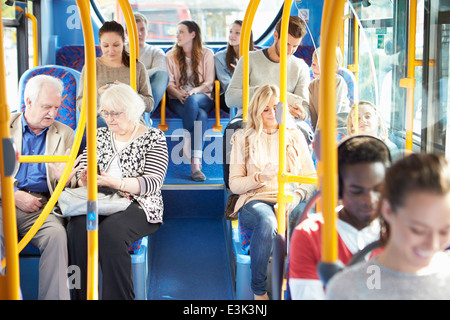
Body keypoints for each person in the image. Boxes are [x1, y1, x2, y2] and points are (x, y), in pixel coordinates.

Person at [67, 83, 168, 300]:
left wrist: (117, 183)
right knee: (76, 228)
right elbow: (80, 171)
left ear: (132, 111)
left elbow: (153, 182)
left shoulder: (153, 137)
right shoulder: (99, 135)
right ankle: (79, 295)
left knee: (110, 234)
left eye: (116, 113)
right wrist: (80, 180)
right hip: (100, 198)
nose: (109, 118)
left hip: (138, 203)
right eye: (105, 112)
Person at [229, 84, 316, 300]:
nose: (271, 113)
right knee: (268, 222)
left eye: (275, 108)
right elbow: (235, 185)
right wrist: (259, 178)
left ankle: (301, 288)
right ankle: (259, 291)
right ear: (256, 110)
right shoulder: (243, 137)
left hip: (290, 198)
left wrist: (294, 199)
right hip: (255, 199)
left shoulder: (295, 136)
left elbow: (310, 178)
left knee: (306, 228)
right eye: (265, 108)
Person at [326, 153, 450, 300]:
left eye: (444, 231)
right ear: (388, 210)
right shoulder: (349, 289)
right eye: (418, 230)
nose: (433, 244)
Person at [289, 135, 391, 300]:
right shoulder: (309, 236)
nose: (370, 200)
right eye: (357, 191)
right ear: (339, 189)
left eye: (378, 189)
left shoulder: (397, 234)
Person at [4, 75, 78, 299]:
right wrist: (13, 194)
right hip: (4, 200)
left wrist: (64, 179)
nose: (53, 113)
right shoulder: (4, 126)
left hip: (41, 205)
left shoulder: (65, 133)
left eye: (56, 107)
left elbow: (70, 184)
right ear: (28, 102)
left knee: (56, 235)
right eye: (47, 106)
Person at [223, 16, 311, 190]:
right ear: (276, 36)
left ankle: (298, 185)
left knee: (303, 130)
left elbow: (304, 106)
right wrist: (260, 93)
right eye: (287, 44)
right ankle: (233, 188)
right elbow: (230, 97)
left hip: (285, 119)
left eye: (295, 46)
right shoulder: (249, 60)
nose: (290, 50)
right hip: (251, 116)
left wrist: (302, 113)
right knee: (233, 129)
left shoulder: (300, 67)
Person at [76, 20, 153, 126]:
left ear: (124, 41)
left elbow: (149, 105)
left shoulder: (137, 67)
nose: (111, 51)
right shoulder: (91, 67)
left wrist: (128, 93)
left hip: (130, 121)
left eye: (116, 45)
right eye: (106, 46)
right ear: (100, 44)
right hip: (101, 120)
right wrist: (99, 95)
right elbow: (81, 106)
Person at [166, 20, 215, 181]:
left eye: (181, 32)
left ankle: (187, 142)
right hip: (177, 99)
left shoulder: (207, 54)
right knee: (200, 116)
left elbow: (209, 82)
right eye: (177, 32)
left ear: (192, 34)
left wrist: (194, 91)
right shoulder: (170, 55)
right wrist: (179, 93)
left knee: (193, 101)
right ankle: (195, 166)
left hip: (202, 96)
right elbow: (169, 84)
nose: (177, 35)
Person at [214, 20, 254, 113]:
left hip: (251, 93)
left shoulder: (255, 56)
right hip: (228, 96)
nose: (232, 36)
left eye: (237, 33)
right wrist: (238, 75)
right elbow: (226, 86)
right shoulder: (219, 57)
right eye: (230, 32)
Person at [133, 12, 169, 111]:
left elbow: (160, 70)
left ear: (147, 31)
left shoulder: (156, 51)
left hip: (148, 90)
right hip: (128, 89)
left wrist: (136, 75)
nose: (139, 34)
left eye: (142, 30)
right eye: (135, 30)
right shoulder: (121, 50)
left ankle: (146, 112)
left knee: (163, 75)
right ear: (127, 32)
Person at [308, 46, 350, 131]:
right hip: (322, 127)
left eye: (320, 65)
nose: (315, 68)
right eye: (313, 64)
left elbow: (334, 109)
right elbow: (313, 114)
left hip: (341, 125)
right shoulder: (312, 86)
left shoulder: (338, 82)